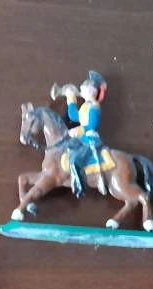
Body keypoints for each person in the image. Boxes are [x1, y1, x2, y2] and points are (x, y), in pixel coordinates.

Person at [64, 70, 107, 198]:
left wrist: (78, 130)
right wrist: (70, 98)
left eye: (83, 90)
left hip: (91, 139)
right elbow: (74, 116)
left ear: (91, 91)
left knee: (75, 160)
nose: (81, 92)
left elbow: (91, 125)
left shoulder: (94, 106)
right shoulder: (85, 106)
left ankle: (80, 186)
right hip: (83, 138)